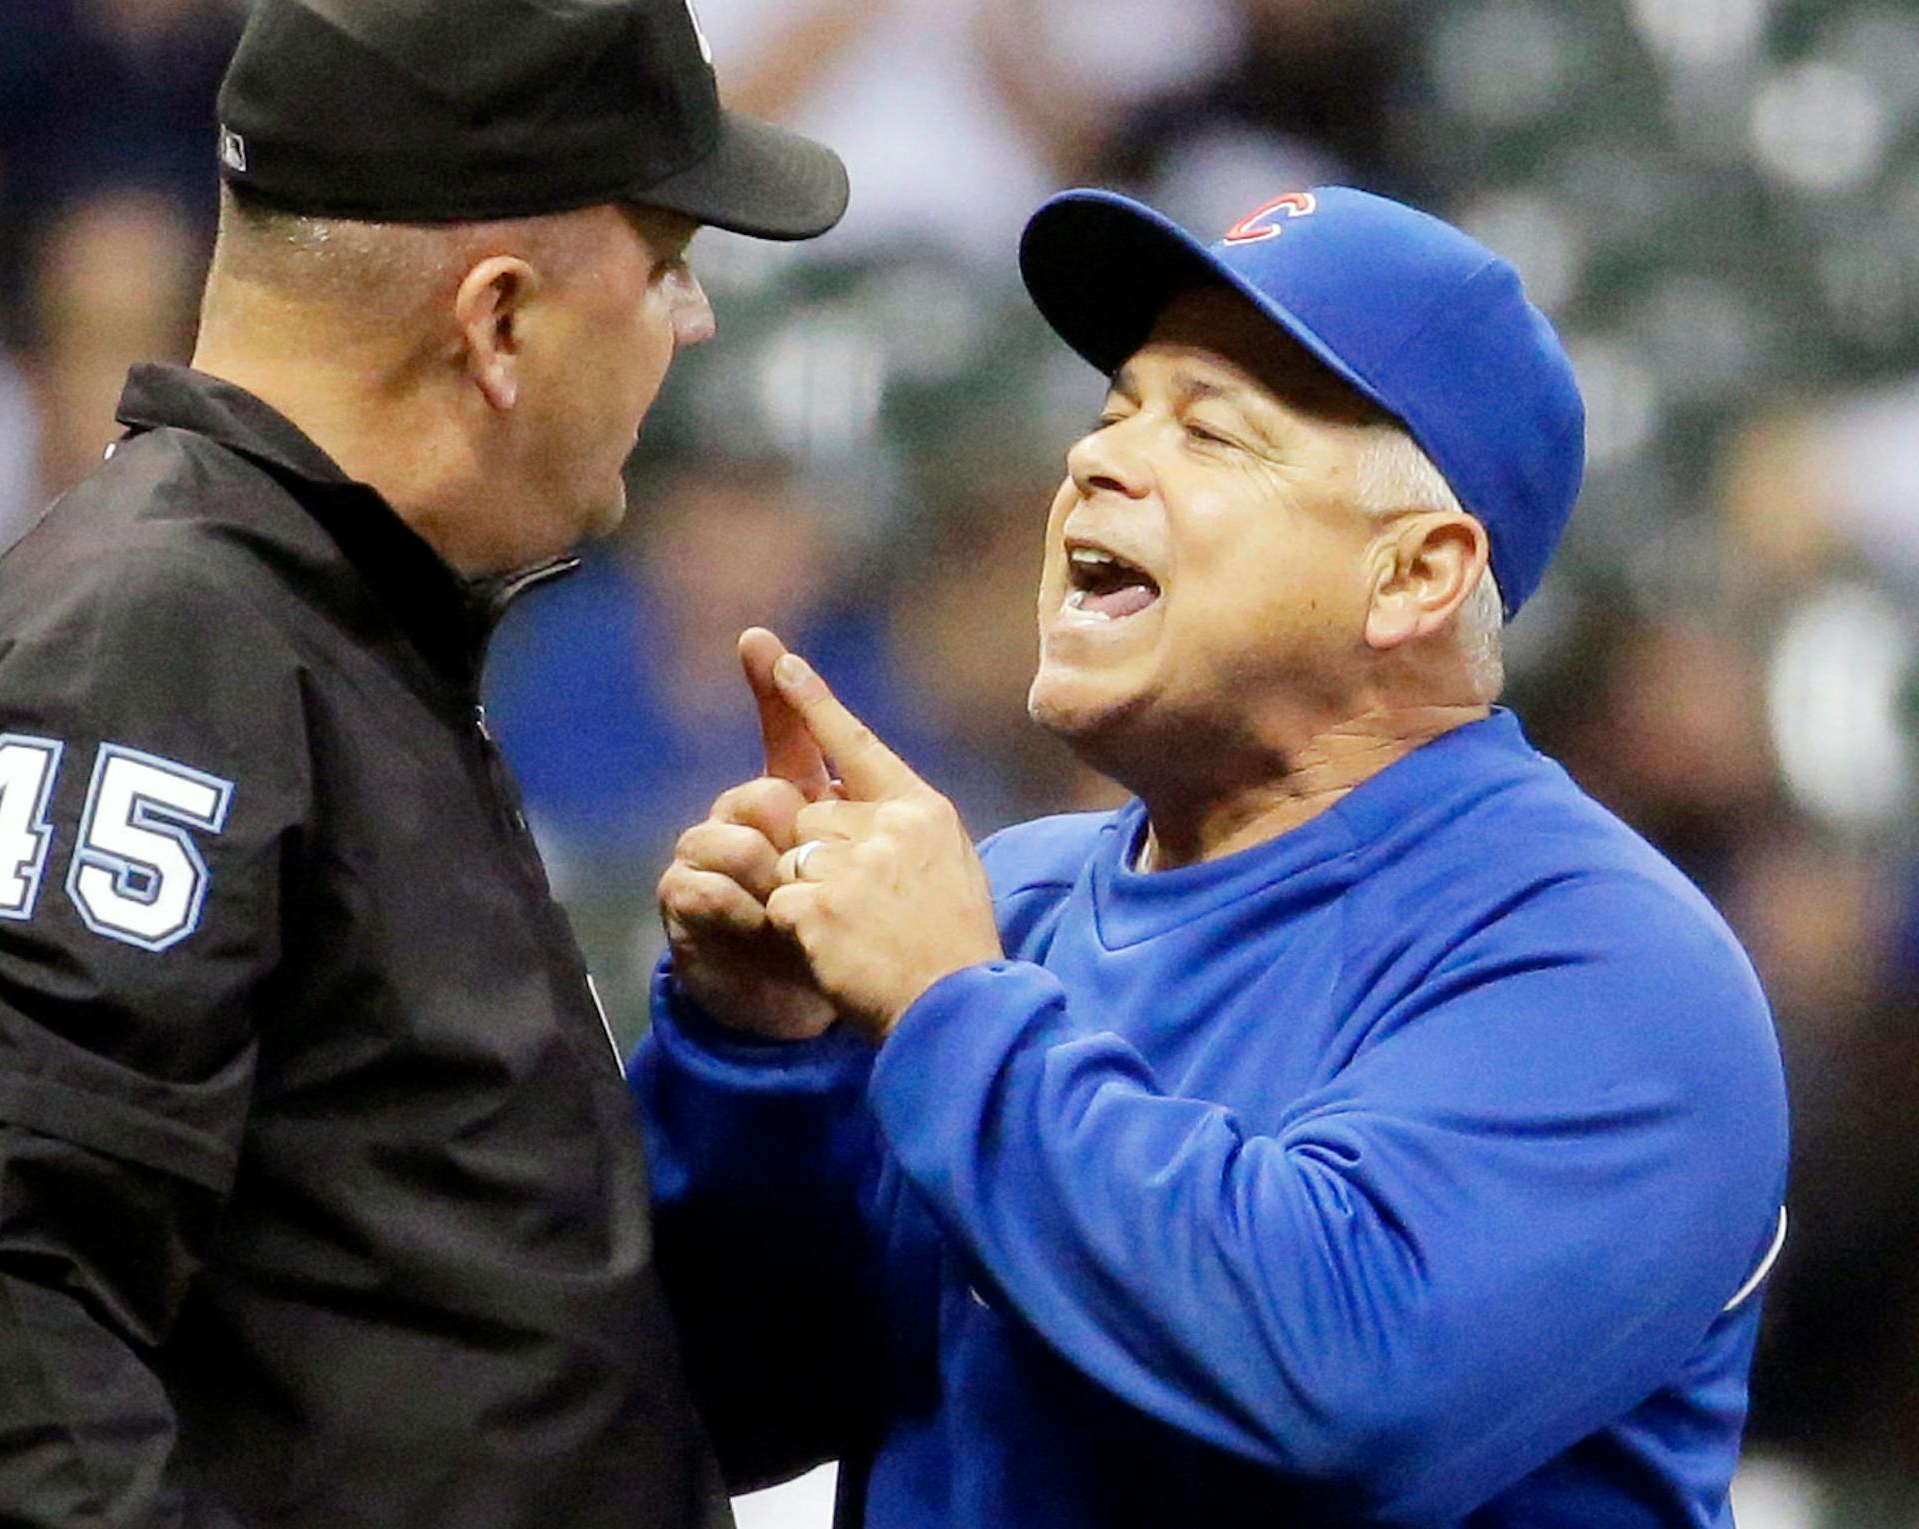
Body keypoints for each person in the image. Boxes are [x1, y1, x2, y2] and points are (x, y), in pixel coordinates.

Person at [0, 1, 845, 1525]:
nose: (696, 319)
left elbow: (497, 1372)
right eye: (667, 262)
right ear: (500, 323)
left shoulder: (327, 632)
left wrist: (751, 1051)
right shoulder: (157, 646)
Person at [632, 187, 1789, 1526]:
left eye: (1210, 431)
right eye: (1117, 410)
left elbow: (1345, 1377)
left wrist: (954, 1010)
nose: (1101, 461)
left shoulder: (1607, 964)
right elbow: (727, 1407)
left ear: (1415, 577)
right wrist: (757, 1064)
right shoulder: (1014, 899)